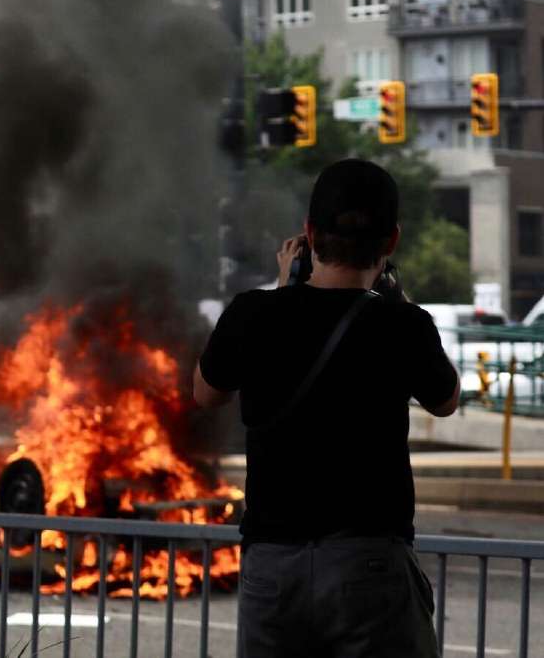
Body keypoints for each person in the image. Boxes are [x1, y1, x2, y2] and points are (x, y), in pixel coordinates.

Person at [193, 159, 457, 658]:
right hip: (368, 566)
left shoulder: (253, 314)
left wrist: (281, 292)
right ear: (391, 242)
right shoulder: (404, 325)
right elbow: (445, 401)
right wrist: (398, 301)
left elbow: (206, 394)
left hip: (273, 568)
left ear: (309, 235)